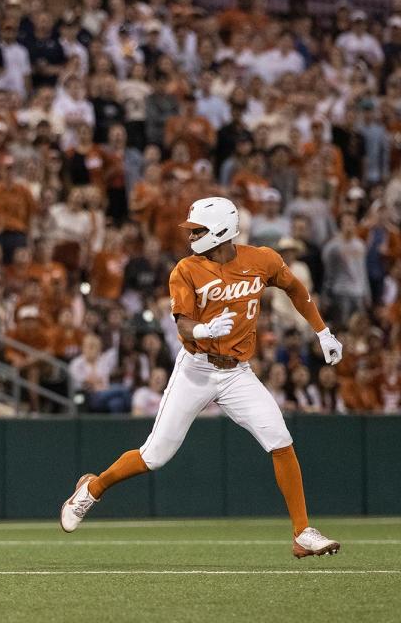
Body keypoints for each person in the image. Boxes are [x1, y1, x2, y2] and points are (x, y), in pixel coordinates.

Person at [60, 196, 344, 559]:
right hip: (196, 368)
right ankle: (92, 489)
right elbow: (182, 323)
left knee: (280, 440)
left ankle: (302, 533)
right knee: (155, 455)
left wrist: (322, 331)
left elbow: (294, 288)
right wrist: (206, 329)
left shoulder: (262, 260)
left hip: (237, 372)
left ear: (222, 230)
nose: (192, 235)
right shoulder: (186, 269)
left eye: (198, 229)